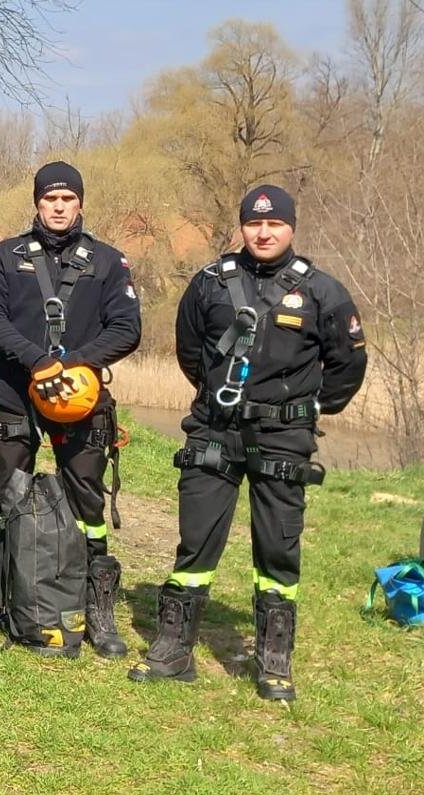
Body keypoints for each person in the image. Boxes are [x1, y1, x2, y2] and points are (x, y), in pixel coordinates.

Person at [131, 185, 365, 700]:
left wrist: (311, 409)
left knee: (278, 547)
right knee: (196, 539)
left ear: (291, 228)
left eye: (274, 224)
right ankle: (173, 647)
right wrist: (218, 396)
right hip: (215, 427)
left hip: (284, 436)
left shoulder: (322, 291)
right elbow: (189, 351)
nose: (263, 232)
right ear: (241, 227)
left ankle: (274, 658)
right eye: (254, 224)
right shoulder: (211, 284)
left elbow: (348, 363)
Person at [0, 161, 140, 659]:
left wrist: (77, 364)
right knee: (3, 492)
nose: (58, 207)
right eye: (49, 199)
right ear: (37, 203)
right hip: (17, 388)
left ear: (80, 202)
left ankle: (96, 607)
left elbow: (127, 328)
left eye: (67, 199)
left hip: (81, 397)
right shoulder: (4, 256)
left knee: (87, 501)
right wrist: (36, 360)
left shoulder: (108, 262)